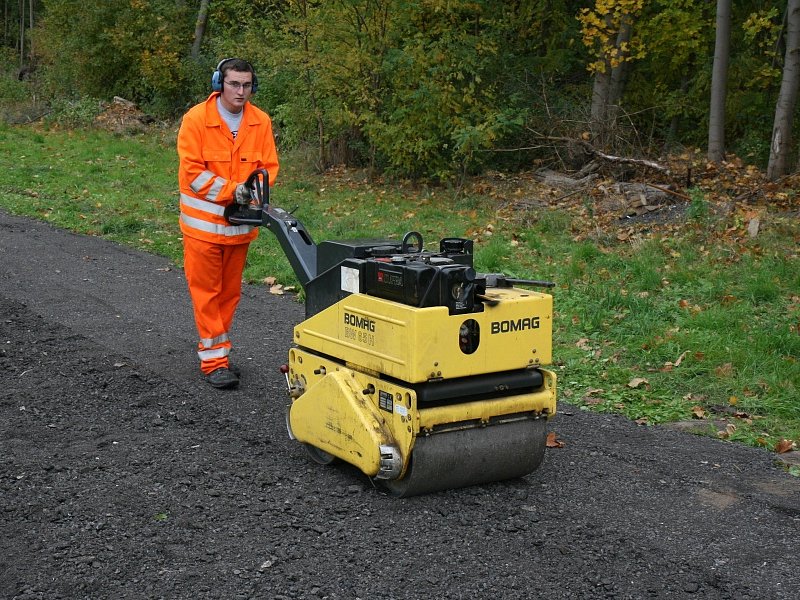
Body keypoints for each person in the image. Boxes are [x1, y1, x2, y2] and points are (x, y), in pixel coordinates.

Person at [177, 58, 279, 389]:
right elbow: (192, 173)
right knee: (207, 294)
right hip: (203, 227)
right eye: (234, 83)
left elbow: (268, 167)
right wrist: (233, 190)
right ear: (220, 82)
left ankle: (218, 350)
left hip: (239, 228)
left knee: (229, 295)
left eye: (247, 85)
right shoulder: (196, 119)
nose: (240, 91)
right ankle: (215, 361)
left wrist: (256, 192)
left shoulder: (260, 121)